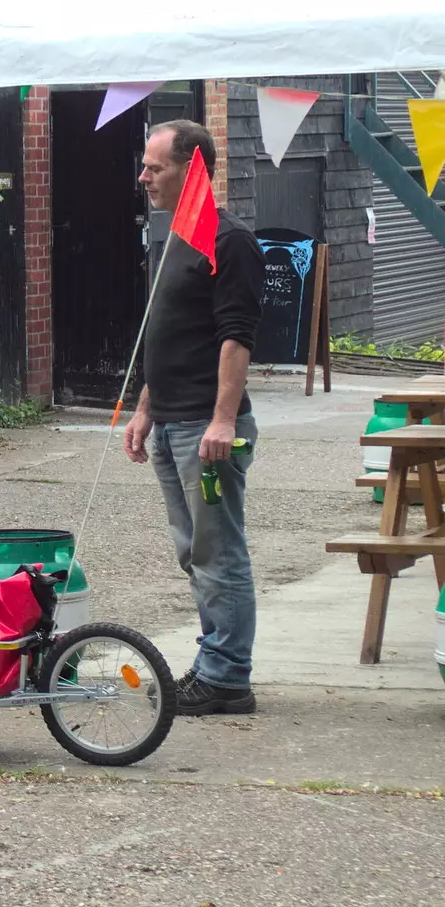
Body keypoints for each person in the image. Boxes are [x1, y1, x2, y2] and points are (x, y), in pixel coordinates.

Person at [123, 120, 264, 716]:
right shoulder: (178, 235)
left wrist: (223, 421)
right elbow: (172, 332)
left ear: (194, 169)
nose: (144, 177)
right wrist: (145, 408)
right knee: (194, 551)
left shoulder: (228, 242)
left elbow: (236, 338)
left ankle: (228, 676)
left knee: (218, 550)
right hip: (173, 422)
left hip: (207, 432)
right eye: (146, 166)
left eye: (156, 167)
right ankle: (213, 662)